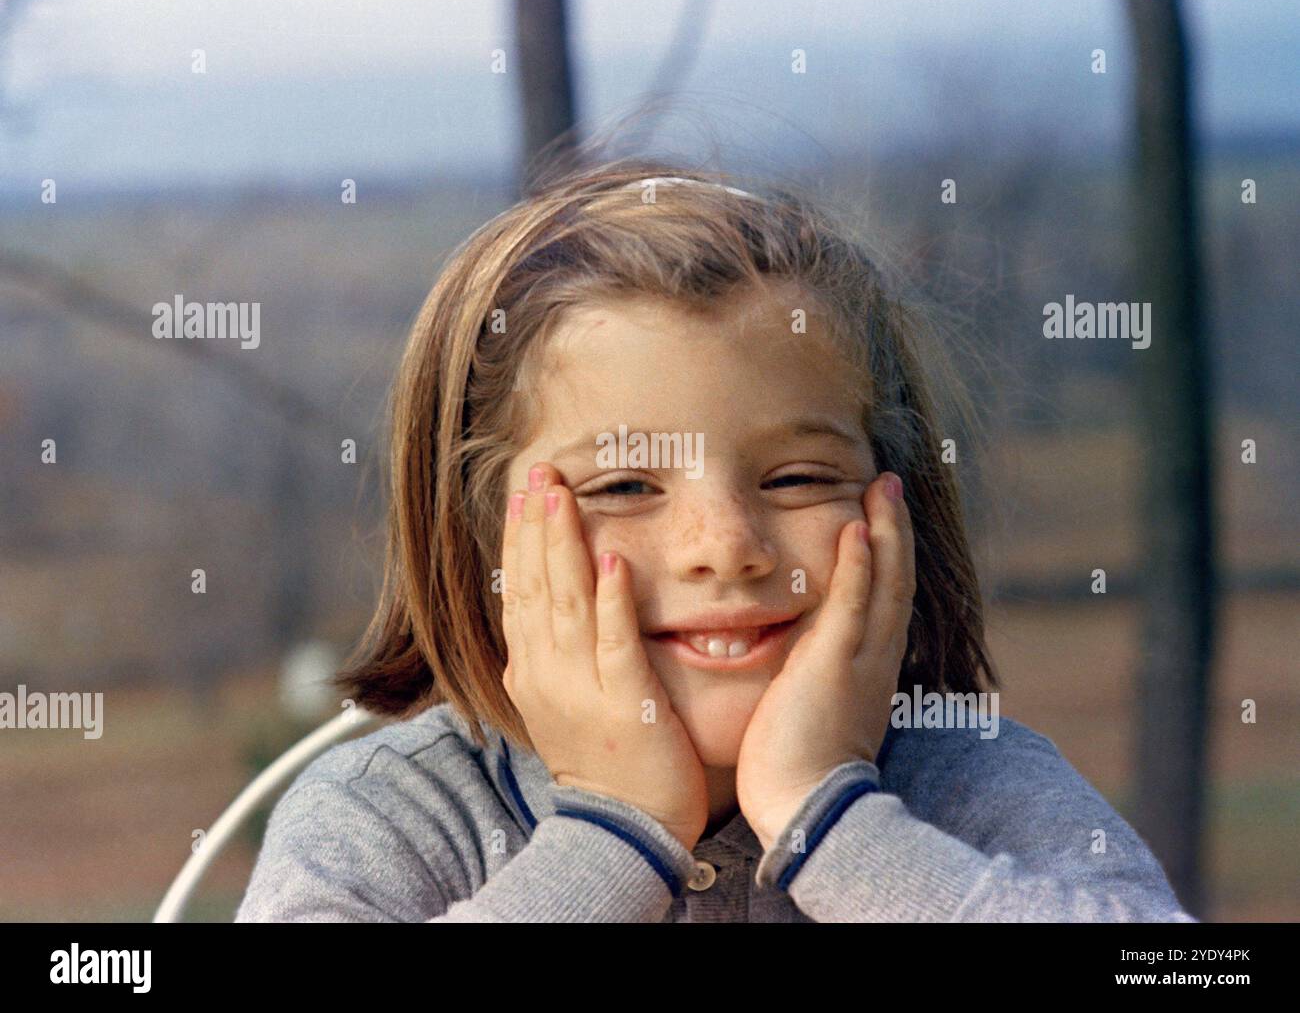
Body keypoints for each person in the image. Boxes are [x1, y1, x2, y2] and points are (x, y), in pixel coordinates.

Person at [235, 159, 1196, 922]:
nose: (726, 545)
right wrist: (616, 835)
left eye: (797, 477)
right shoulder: (391, 818)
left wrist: (833, 818)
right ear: (482, 539)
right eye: (625, 485)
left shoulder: (969, 779)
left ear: (895, 507)